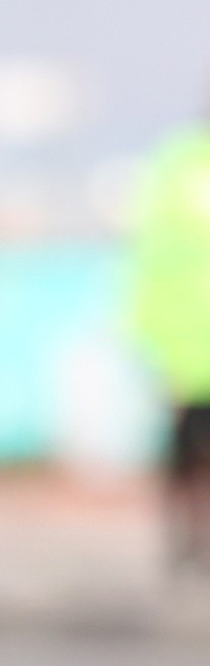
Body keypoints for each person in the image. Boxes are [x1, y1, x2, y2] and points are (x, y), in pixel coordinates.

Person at [126, 109, 210, 574]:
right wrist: (151, 333)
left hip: (185, 340)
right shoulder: (178, 164)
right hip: (186, 345)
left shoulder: (176, 165)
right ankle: (186, 547)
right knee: (185, 455)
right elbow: (153, 252)